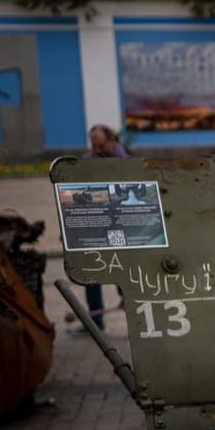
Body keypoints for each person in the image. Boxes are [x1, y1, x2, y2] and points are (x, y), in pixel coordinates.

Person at [73, 124, 128, 333]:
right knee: (91, 273)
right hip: (94, 229)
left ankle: (136, 312)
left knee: (123, 272)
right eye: (94, 145)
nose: (96, 150)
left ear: (112, 141)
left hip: (119, 228)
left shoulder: (126, 163)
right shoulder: (86, 162)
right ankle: (96, 322)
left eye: (101, 145)